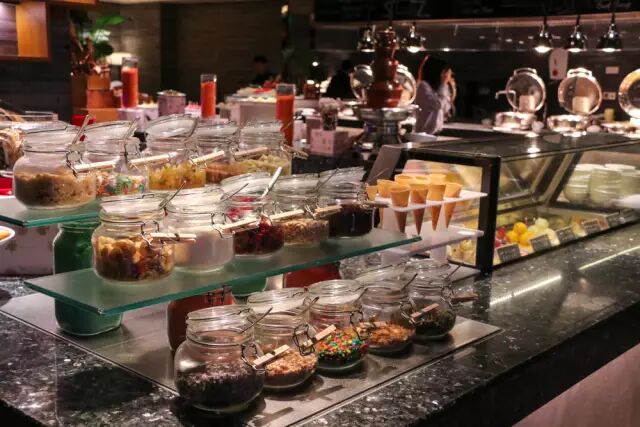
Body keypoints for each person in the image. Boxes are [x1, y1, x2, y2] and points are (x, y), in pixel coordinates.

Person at [413, 56, 456, 134]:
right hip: (424, 133)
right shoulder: (423, 86)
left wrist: (450, 88)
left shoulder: (439, 88)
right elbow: (437, 105)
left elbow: (446, 108)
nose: (447, 76)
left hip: (436, 132)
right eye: (444, 73)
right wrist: (443, 84)